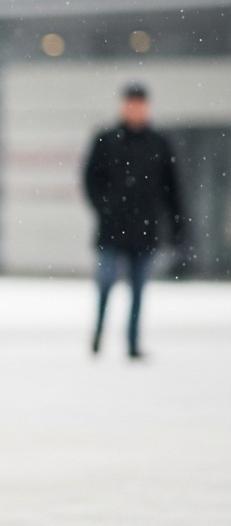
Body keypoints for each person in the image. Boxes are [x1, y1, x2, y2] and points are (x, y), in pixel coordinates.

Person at [83, 83, 183, 359]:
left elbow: (171, 189)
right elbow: (90, 179)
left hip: (145, 229)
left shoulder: (158, 144)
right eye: (131, 104)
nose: (135, 110)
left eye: (139, 105)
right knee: (105, 284)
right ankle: (99, 335)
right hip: (112, 229)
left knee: (138, 291)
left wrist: (177, 225)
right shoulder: (106, 140)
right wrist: (105, 208)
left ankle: (132, 343)